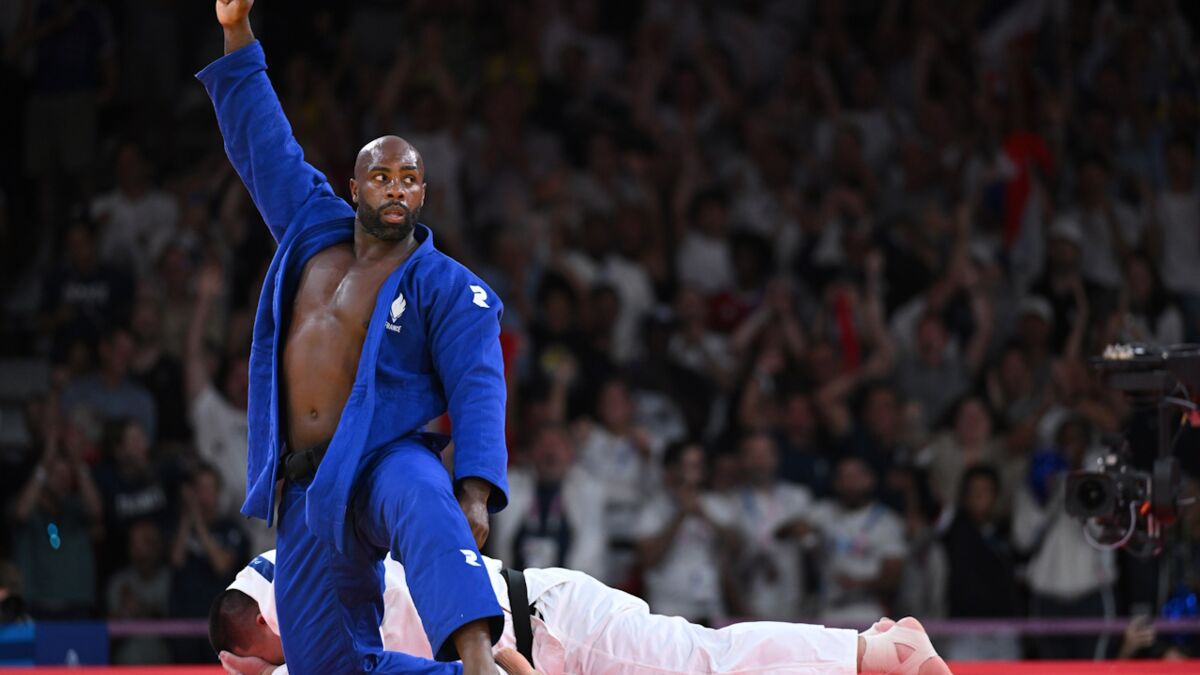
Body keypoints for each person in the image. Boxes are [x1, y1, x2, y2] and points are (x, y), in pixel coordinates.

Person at [198, 2, 509, 673]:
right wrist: (235, 31)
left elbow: (478, 381)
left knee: (424, 492)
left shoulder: (447, 284)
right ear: (355, 185)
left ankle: (481, 659)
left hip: (383, 456)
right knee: (330, 668)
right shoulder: (312, 228)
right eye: (381, 175)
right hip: (308, 485)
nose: (395, 188)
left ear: (423, 193)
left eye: (408, 179)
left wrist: (477, 488)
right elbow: (265, 142)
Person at [212, 550, 953, 675]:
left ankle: (871, 652)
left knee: (700, 660)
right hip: (531, 632)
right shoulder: (276, 591)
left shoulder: (335, 584)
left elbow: (484, 649)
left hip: (548, 627)